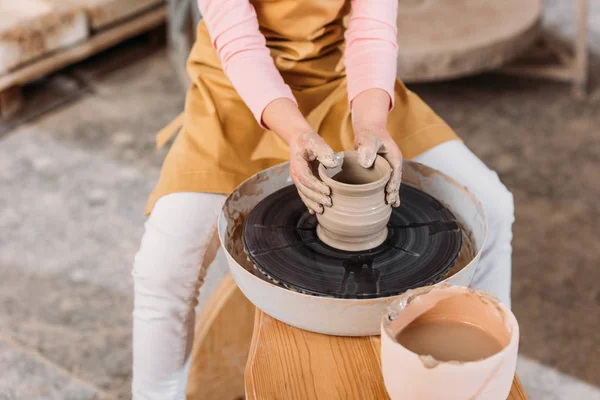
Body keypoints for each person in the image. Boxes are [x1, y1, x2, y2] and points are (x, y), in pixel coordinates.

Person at [131, 0, 515, 398]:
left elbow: (371, 27)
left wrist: (371, 122)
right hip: (236, 91)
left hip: (346, 82)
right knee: (163, 270)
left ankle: (484, 374)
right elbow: (238, 42)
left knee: (493, 207)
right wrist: (296, 133)